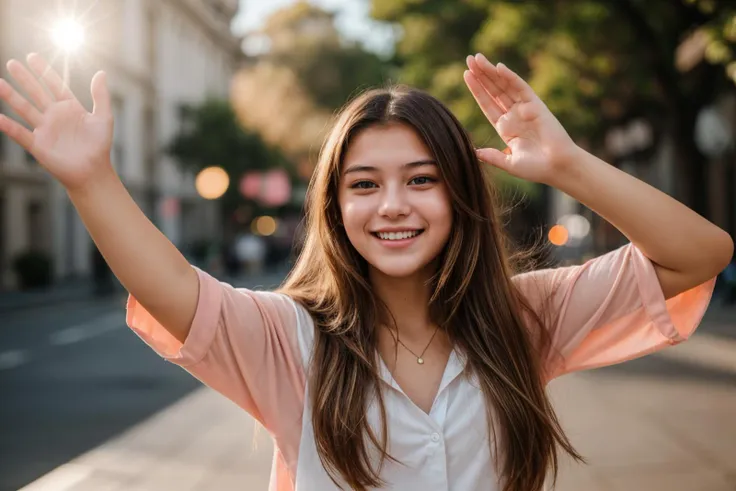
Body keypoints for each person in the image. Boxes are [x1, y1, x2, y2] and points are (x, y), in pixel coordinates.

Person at [0, 52, 730, 491]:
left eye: (421, 179)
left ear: (457, 190)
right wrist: (91, 180)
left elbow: (701, 253)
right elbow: (170, 288)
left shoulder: (525, 314)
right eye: (363, 184)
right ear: (335, 203)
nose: (392, 206)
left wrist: (570, 165)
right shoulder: (288, 337)